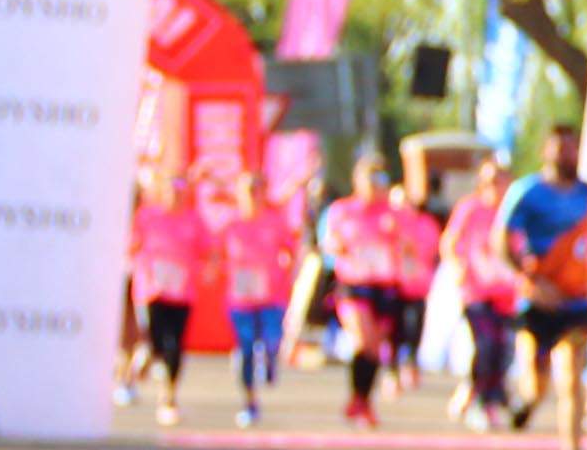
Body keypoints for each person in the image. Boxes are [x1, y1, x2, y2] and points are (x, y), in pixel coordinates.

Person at [502, 129, 587, 450]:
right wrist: (528, 282)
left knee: (570, 378)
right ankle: (526, 401)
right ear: (545, 151)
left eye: (571, 147)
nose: (566, 153)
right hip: (537, 299)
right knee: (537, 383)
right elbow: (500, 241)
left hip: (574, 300)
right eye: (559, 147)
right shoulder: (527, 193)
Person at [320, 157, 410, 429]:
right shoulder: (342, 210)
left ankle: (361, 399)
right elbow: (329, 242)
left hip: (384, 287)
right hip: (354, 285)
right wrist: (338, 246)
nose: (375, 187)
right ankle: (358, 398)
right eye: (370, 181)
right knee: (362, 338)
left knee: (374, 348)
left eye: (380, 181)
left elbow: (410, 247)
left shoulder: (393, 214)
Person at [440, 160, 523, 431]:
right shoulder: (471, 208)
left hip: (507, 295)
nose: (493, 187)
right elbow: (449, 243)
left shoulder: (515, 213)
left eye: (499, 180)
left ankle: (480, 392)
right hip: (476, 292)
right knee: (486, 345)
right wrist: (458, 266)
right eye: (488, 181)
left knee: (503, 350)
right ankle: (482, 403)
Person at [124, 173, 210, 429]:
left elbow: (207, 250)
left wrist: (210, 265)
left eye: (181, 191)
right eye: (172, 190)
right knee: (154, 339)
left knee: (175, 346)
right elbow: (131, 245)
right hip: (152, 290)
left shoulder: (193, 220)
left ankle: (168, 397)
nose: (176, 196)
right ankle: (141, 360)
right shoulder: (148, 217)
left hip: (182, 292)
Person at [216, 171, 300, 430]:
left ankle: (272, 359)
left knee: (272, 338)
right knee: (246, 348)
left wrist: (289, 274)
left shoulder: (275, 223)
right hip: (240, 298)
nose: (252, 196)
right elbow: (216, 255)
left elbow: (292, 252)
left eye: (257, 190)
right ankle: (250, 402)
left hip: (271, 296)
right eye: (248, 191)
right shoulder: (231, 225)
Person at [388, 173, 445, 398]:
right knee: (395, 332)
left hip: (418, 286)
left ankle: (411, 366)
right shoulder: (389, 223)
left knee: (414, 329)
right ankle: (392, 372)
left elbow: (433, 251)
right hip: (394, 284)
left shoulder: (426, 223)